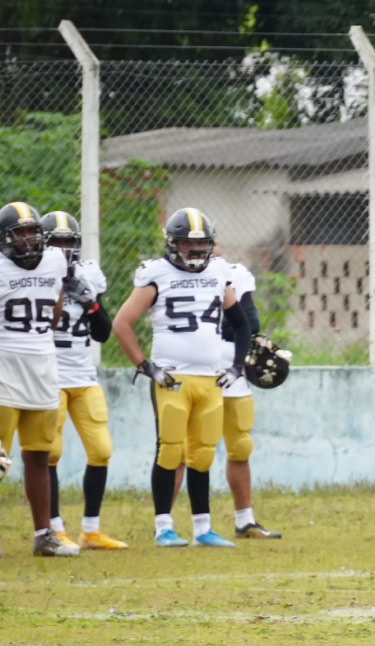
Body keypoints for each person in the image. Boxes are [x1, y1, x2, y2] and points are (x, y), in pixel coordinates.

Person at [110, 207, 250, 548]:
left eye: (201, 245)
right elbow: (122, 323)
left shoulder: (219, 271)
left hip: (210, 377)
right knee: (170, 451)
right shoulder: (156, 273)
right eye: (188, 245)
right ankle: (163, 527)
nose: (195, 252)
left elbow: (242, 323)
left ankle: (203, 527)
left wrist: (236, 367)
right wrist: (147, 366)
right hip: (171, 377)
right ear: (173, 245)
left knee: (202, 452)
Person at [40, 210, 123, 550]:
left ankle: (91, 529)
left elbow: (104, 332)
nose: (62, 249)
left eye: (68, 242)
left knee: (101, 451)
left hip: (84, 376)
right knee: (50, 454)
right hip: (50, 376)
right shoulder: (35, 276)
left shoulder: (88, 274)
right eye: (56, 242)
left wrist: (89, 301)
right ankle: (54, 527)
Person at [0, 201, 77, 556]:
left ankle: (44, 534)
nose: (28, 240)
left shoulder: (56, 261)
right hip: (4, 365)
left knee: (39, 457)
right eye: (20, 233)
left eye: (33, 232)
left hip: (43, 367)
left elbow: (56, 306)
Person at [211, 256, 281, 539]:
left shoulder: (235, 272)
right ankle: (168, 524)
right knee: (186, 450)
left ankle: (245, 521)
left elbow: (250, 322)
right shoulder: (167, 273)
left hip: (234, 368)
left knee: (240, 446)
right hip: (198, 368)